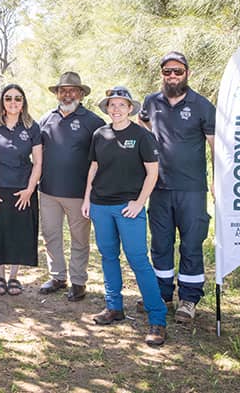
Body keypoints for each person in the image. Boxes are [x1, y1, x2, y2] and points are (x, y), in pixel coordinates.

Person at [81, 86, 166, 346]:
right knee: (108, 257)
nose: (116, 109)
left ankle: (158, 319)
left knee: (138, 259)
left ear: (131, 108)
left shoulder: (142, 136)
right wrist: (87, 198)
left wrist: (140, 203)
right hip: (100, 206)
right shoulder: (99, 134)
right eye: (112, 105)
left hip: (128, 208)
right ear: (107, 108)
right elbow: (93, 167)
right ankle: (114, 308)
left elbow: (152, 173)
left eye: (121, 105)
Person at [138, 51, 216, 323]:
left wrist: (218, 181)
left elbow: (215, 146)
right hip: (158, 188)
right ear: (161, 74)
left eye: (177, 71)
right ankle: (161, 295)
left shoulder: (202, 105)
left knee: (192, 243)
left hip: (192, 189)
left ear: (187, 74)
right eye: (167, 71)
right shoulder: (151, 102)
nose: (172, 76)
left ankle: (189, 299)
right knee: (160, 243)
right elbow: (143, 129)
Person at [37, 72, 104, 301]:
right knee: (51, 234)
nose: (67, 95)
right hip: (48, 191)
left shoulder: (94, 122)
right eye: (63, 90)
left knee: (79, 238)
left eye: (72, 90)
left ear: (81, 93)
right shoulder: (46, 119)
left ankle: (78, 282)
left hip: (78, 194)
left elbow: (102, 158)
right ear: (57, 93)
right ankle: (57, 276)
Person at [0, 84, 42, 296]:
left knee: (19, 233)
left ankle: (14, 277)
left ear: (23, 103)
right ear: (2, 102)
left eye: (17, 98)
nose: (13, 102)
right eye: (8, 98)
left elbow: (38, 162)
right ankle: (0, 276)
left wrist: (30, 189)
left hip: (22, 190)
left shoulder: (32, 127)